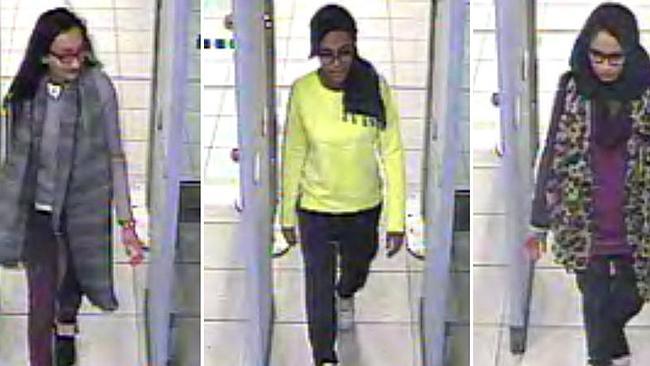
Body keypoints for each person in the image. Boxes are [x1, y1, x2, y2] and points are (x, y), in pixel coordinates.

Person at [0, 8, 144, 366]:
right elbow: (11, 163)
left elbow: (115, 156)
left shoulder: (99, 90)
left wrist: (127, 224)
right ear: (43, 56)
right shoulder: (25, 96)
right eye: (65, 56)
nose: (76, 63)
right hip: (38, 215)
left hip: (82, 211)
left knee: (70, 291)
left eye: (80, 53)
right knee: (40, 304)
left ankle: (66, 328)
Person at [278, 4, 406, 366]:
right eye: (326, 55)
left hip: (363, 205)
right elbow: (293, 152)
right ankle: (324, 356)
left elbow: (393, 152)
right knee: (317, 288)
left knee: (357, 268)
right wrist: (286, 212)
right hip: (315, 207)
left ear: (355, 49)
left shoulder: (374, 88)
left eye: (344, 53)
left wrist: (396, 219)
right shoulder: (303, 92)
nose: (336, 64)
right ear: (315, 53)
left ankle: (346, 292)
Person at [526, 3, 650, 366]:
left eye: (615, 58)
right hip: (583, 221)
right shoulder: (572, 88)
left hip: (637, 223)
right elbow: (552, 149)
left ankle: (610, 343)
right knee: (594, 299)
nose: (605, 66)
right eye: (598, 56)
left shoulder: (645, 91)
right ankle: (604, 357)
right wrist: (539, 221)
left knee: (632, 296)